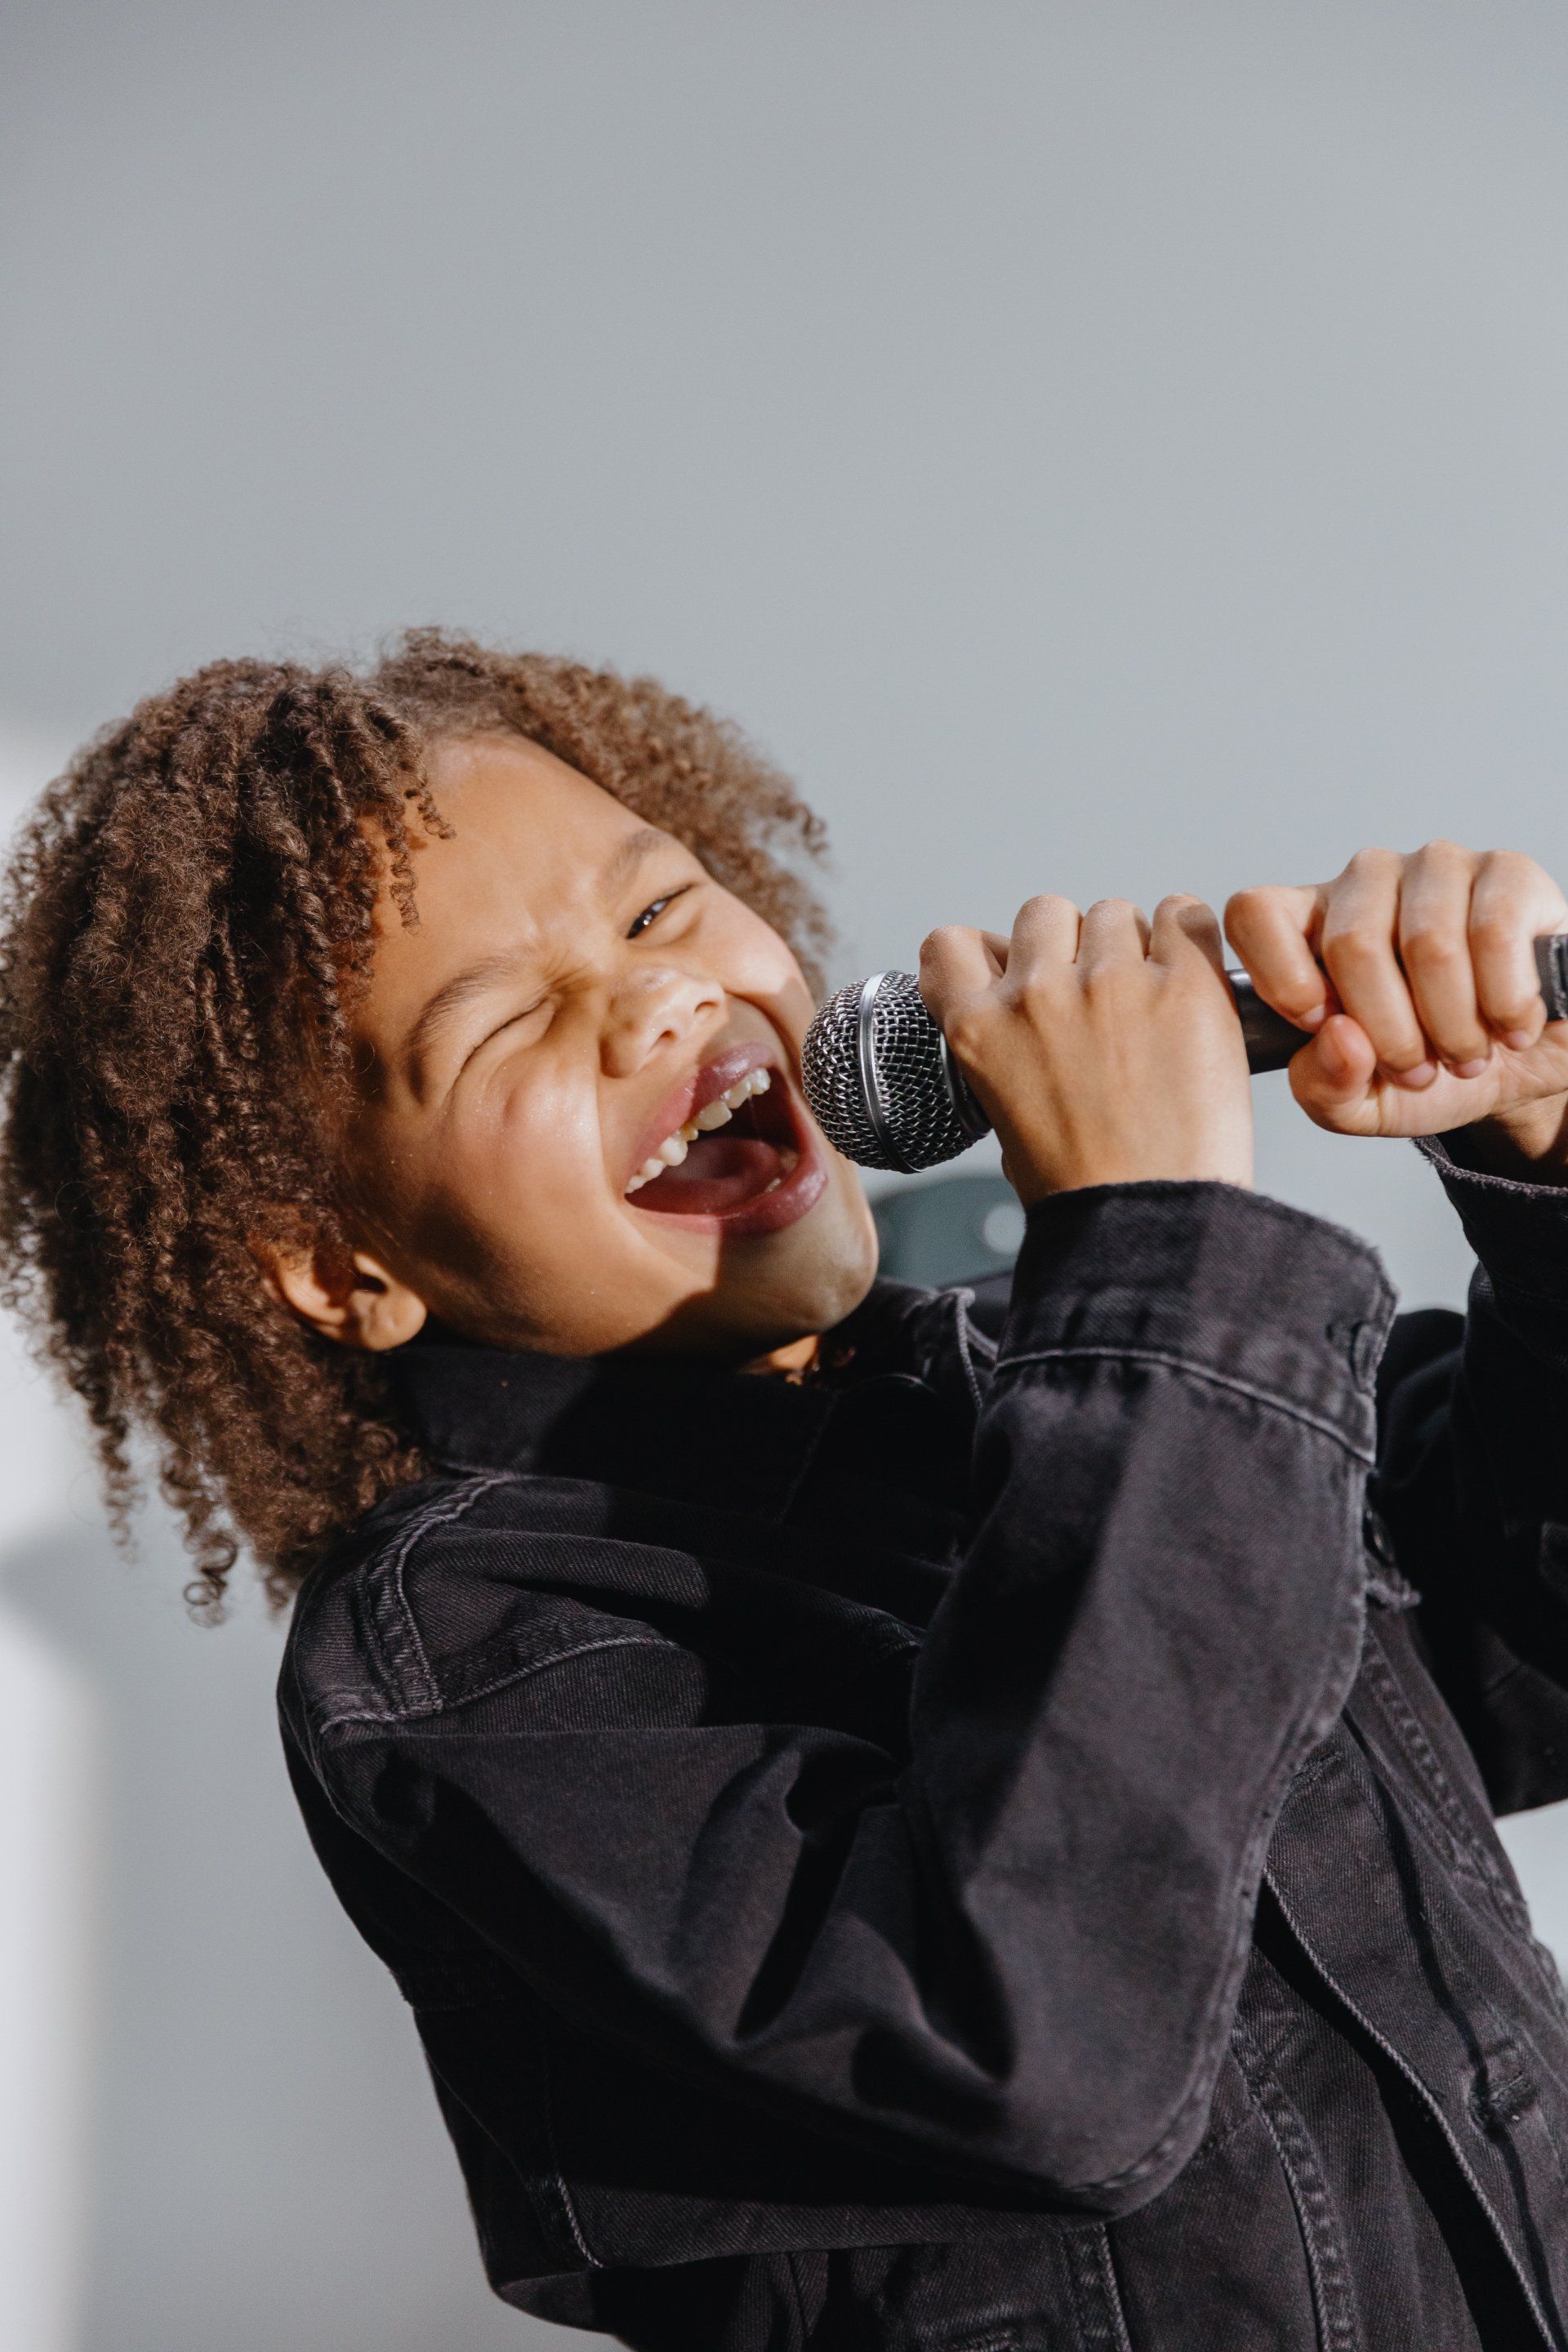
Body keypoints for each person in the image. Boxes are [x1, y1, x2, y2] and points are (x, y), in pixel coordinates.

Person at [4, 630, 1568, 2352]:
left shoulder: (1032, 1388)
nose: (652, 998)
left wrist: (1545, 1146)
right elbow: (1041, 2047)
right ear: (340, 1264)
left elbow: (1529, 1649)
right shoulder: (475, 1658)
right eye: (506, 1020)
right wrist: (1163, 1251)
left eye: (659, 911)